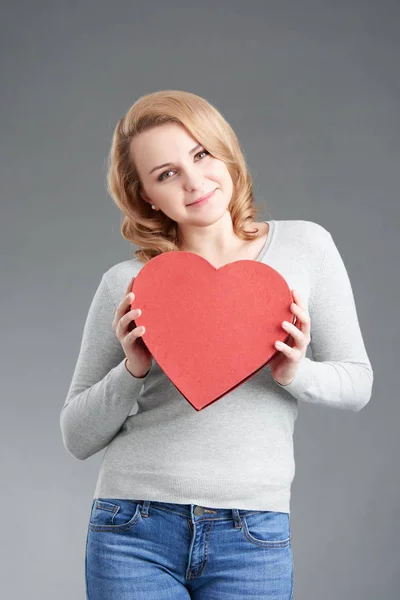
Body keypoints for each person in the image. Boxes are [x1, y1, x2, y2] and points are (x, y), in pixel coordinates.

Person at [60, 90, 373, 600]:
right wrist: (132, 371)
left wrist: (295, 371)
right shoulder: (128, 283)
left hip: (252, 532)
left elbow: (357, 382)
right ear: (146, 197)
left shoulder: (306, 247)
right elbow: (76, 435)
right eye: (166, 174)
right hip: (131, 528)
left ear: (224, 151)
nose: (193, 181)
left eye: (200, 154)